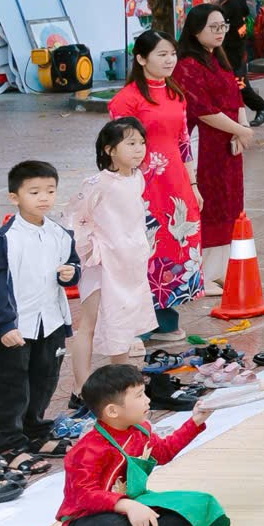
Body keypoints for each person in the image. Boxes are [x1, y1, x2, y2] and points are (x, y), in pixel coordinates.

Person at [37, 365, 225, 526]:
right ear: (112, 411)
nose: (147, 400)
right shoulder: (88, 448)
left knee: (197, 503)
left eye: (144, 393)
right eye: (139, 395)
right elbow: (84, 495)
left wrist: (196, 420)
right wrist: (127, 506)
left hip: (135, 510)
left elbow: (163, 452)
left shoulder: (140, 430)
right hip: (87, 525)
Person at [0, 159, 76, 495]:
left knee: (44, 379)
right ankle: (8, 443)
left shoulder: (60, 234)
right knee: (10, 385)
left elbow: (72, 267)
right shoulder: (6, 239)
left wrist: (71, 273)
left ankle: (34, 432)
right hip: (14, 327)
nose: (44, 198)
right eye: (34, 192)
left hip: (50, 322)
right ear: (14, 197)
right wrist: (4, 324)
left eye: (50, 191)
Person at [105, 30, 203, 341]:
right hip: (142, 184)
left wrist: (193, 184)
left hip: (175, 181)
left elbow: (184, 142)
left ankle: (166, 317)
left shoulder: (176, 94)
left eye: (172, 53)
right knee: (144, 246)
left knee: (175, 244)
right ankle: (140, 323)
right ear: (141, 58)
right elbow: (117, 148)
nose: (169, 60)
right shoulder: (126, 100)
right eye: (161, 54)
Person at [62, 119, 154, 397]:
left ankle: (121, 383)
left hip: (130, 262)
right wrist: (90, 249)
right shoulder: (98, 183)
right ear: (110, 150)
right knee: (88, 323)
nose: (139, 149)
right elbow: (72, 217)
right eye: (130, 143)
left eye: (141, 142)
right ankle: (80, 386)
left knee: (122, 320)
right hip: (102, 264)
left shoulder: (136, 177)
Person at [173, 2, 256, 252]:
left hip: (228, 146)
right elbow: (202, 110)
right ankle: (204, 269)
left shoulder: (218, 59)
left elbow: (235, 94)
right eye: (214, 27)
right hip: (205, 146)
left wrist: (242, 124)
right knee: (208, 201)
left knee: (230, 202)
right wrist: (241, 131)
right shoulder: (186, 65)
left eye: (223, 26)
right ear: (196, 31)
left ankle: (223, 267)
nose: (220, 32)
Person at [209, 0, 264, 123]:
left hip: (233, 56)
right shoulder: (238, 5)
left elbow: (228, 30)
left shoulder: (231, 7)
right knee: (237, 85)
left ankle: (262, 108)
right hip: (236, 54)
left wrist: (213, 7)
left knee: (240, 85)